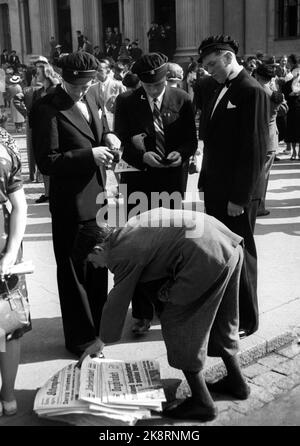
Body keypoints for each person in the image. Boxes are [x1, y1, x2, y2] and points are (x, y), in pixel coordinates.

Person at [78, 208, 250, 422]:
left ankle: (202, 403)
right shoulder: (128, 229)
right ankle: (237, 383)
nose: (95, 266)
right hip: (226, 244)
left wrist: (101, 340)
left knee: (178, 323)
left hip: (206, 256)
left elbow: (117, 300)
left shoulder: (121, 252)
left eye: (92, 261)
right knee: (222, 321)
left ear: (98, 248)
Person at [30, 52, 120, 357]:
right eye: (75, 85)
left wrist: (109, 138)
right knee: (73, 273)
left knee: (98, 267)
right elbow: (47, 161)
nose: (80, 90)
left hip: (97, 198)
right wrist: (89, 155)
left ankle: (99, 329)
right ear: (61, 76)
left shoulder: (93, 96)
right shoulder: (46, 108)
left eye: (86, 84)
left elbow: (99, 127)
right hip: (70, 204)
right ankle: (81, 339)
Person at [114, 52, 198, 335]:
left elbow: (191, 139)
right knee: (137, 245)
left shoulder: (182, 99)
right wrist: (142, 157)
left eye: (158, 85)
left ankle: (169, 307)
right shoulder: (126, 101)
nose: (153, 90)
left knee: (170, 245)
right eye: (148, 86)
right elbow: (122, 140)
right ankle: (141, 313)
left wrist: (181, 154)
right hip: (137, 183)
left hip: (171, 180)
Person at [197, 35, 269, 336]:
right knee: (223, 255)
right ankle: (227, 314)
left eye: (212, 64)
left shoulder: (251, 90)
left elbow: (254, 150)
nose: (208, 70)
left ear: (228, 58)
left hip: (236, 195)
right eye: (205, 66)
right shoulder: (217, 87)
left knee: (241, 254)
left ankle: (247, 319)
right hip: (217, 188)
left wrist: (240, 197)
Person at [0, 127, 28, 416]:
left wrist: (9, 252)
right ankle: (8, 396)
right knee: (7, 325)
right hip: (5, 239)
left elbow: (19, 204)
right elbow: (19, 206)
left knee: (7, 327)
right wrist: (10, 251)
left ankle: (7, 394)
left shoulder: (5, 142)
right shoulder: (5, 141)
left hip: (5, 242)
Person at [13, 57, 60, 199]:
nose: (36, 74)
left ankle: (54, 192)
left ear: (46, 72)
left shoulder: (55, 89)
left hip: (53, 129)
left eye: (38, 71)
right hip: (42, 129)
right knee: (44, 159)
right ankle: (47, 192)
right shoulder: (39, 91)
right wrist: (29, 115)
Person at [255, 64, 288, 216]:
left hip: (254, 137)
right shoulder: (274, 94)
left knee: (255, 173)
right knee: (264, 175)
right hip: (269, 139)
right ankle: (259, 206)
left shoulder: (252, 90)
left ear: (257, 76)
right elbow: (284, 109)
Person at [90, 59, 126, 131]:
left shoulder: (118, 85)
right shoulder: (92, 88)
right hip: (100, 126)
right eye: (96, 70)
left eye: (100, 70)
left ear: (108, 71)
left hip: (116, 124)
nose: (97, 73)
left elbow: (125, 106)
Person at [282, 66, 300, 160]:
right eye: (296, 71)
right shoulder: (287, 84)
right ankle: (294, 152)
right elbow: (283, 96)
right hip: (291, 110)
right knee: (292, 132)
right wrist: (290, 95)